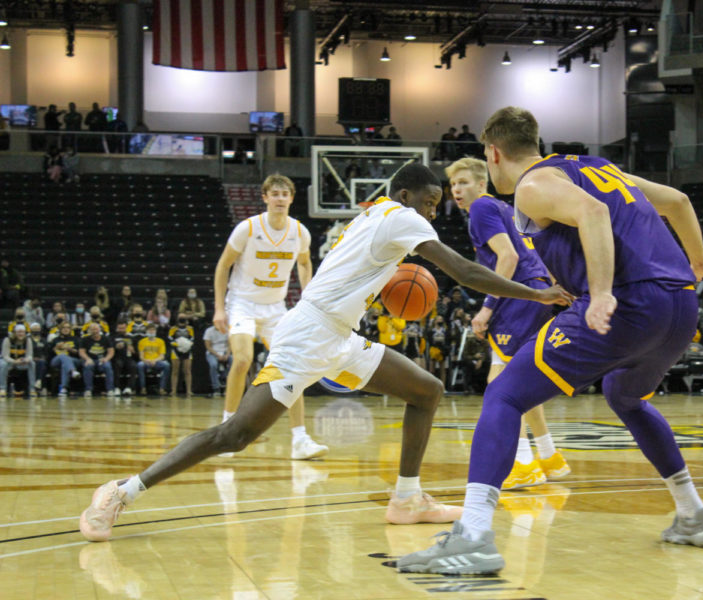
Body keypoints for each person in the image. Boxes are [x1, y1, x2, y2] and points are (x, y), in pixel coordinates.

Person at [78, 162, 571, 542]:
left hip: (339, 334)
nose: (435, 211)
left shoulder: (380, 212)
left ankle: (405, 500)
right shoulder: (401, 217)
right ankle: (120, 492)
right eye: (431, 201)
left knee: (426, 390)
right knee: (235, 435)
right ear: (406, 196)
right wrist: (536, 294)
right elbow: (463, 271)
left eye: (439, 204)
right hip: (309, 334)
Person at [399, 107, 703, 575]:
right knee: (626, 396)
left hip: (627, 303)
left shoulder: (533, 186)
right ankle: (694, 514)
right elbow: (676, 200)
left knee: (504, 394)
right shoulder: (599, 167)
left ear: (493, 153)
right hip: (679, 305)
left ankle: (472, 536)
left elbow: (592, 213)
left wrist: (598, 294)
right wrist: (699, 262)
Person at [447, 156, 570, 489]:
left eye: (464, 182)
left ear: (481, 183)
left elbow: (509, 257)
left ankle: (522, 463)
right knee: (521, 380)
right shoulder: (501, 207)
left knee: (501, 384)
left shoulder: (482, 211)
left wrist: (486, 307)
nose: (457, 190)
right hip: (535, 288)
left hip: (519, 294)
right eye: (454, 184)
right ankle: (549, 458)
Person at [211, 173, 326, 460]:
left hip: (275, 308)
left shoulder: (299, 232)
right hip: (242, 303)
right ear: (265, 198)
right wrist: (219, 308)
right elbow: (223, 266)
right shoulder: (247, 229)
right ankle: (227, 430)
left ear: (291, 198)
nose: (279, 199)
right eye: (274, 194)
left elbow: (304, 263)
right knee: (242, 359)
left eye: (284, 194)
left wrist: (307, 299)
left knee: (293, 368)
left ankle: (300, 440)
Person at [79, 322, 115, 399]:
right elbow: (81, 352)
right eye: (92, 329)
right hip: (90, 359)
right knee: (88, 366)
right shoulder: (85, 339)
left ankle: (110, 389)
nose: (94, 331)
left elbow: (111, 351)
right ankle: (88, 389)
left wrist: (106, 359)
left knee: (107, 366)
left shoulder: (106, 339)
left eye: (96, 329)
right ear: (89, 331)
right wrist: (87, 359)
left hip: (102, 360)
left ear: (99, 330)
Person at [1, 324, 35, 398]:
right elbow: (5, 356)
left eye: (22, 332)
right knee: (3, 364)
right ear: (14, 333)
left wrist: (26, 359)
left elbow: (30, 355)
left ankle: (32, 388)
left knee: (32, 363)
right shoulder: (8, 340)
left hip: (21, 363)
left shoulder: (28, 340)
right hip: (9, 362)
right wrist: (14, 361)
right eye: (19, 332)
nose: (21, 334)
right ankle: (2, 388)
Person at [136, 323, 171, 395]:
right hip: (146, 361)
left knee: (167, 365)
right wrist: (146, 360)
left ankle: (162, 388)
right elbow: (141, 356)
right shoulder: (142, 342)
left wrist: (155, 360)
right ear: (146, 331)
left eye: (153, 330)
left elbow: (162, 356)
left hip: (157, 361)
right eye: (150, 330)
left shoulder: (160, 341)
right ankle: (143, 388)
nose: (152, 331)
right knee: (140, 365)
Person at [168, 313, 195, 396]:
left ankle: (189, 391)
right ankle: (173, 390)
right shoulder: (173, 329)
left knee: (187, 371)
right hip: (176, 351)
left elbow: (192, 339)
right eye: (180, 317)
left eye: (184, 317)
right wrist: (178, 346)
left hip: (187, 351)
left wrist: (186, 346)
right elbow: (170, 339)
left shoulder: (190, 329)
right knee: (175, 371)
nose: (182, 318)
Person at [203, 323, 231, 397]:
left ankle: (228, 385)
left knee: (233, 361)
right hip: (212, 353)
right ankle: (216, 387)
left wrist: (227, 355)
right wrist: (218, 355)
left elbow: (230, 345)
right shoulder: (209, 331)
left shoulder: (228, 330)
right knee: (213, 365)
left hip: (225, 352)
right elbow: (208, 346)